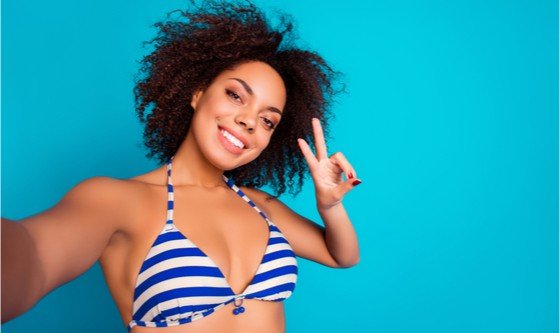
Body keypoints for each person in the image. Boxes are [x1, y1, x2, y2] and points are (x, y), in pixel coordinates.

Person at [1, 1, 361, 332]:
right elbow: (32, 254)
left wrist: (331, 206)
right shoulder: (117, 200)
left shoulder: (262, 207)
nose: (249, 122)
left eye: (268, 121)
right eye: (236, 95)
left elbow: (341, 255)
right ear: (198, 93)